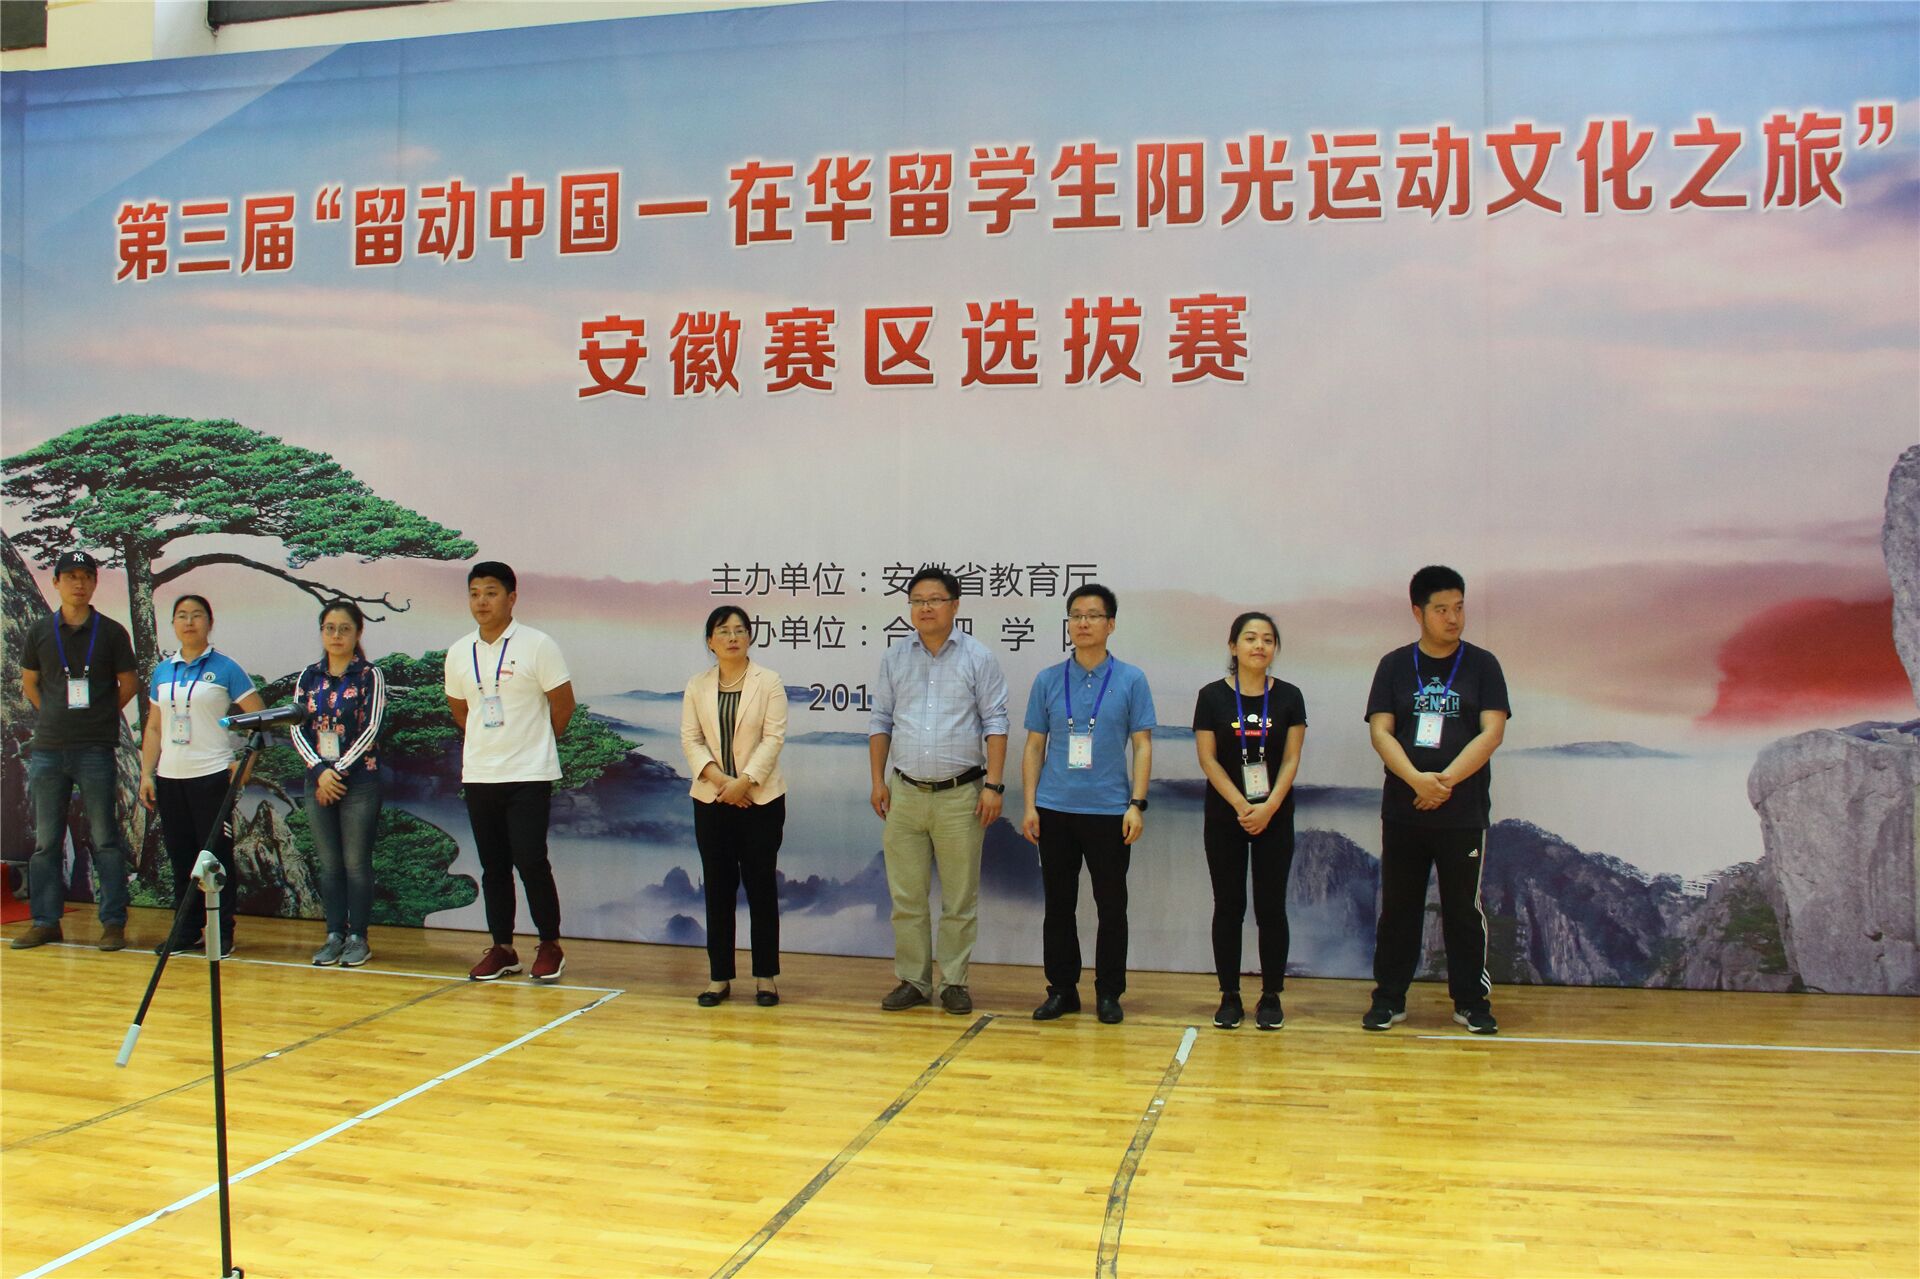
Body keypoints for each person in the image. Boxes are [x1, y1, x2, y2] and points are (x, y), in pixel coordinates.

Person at [1362, 565, 1510, 1035]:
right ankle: (1389, 999)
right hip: (1404, 810)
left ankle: (1471, 1002)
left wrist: (1443, 782)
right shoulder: (1394, 665)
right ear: (1418, 612)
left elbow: (1492, 733)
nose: (1453, 618)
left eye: (1459, 608)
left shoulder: (1483, 665)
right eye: (1441, 609)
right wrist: (1415, 782)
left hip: (1462, 812)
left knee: (1463, 910)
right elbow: (1381, 732)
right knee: (1398, 909)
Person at [867, 568, 1010, 1015]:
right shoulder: (895, 657)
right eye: (917, 601)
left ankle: (954, 982)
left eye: (934, 599)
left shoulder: (978, 657)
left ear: (955, 605)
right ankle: (913, 979)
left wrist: (994, 785)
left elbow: (996, 722)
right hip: (904, 792)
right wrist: (877, 781)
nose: (925, 608)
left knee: (959, 898)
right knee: (906, 897)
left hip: (961, 795)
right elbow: (880, 721)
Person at [1021, 584, 1155, 1025]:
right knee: (1058, 906)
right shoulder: (1048, 679)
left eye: (1093, 615)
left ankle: (1109, 992)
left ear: (1110, 624)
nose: (1083, 623)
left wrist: (1137, 803)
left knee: (1111, 907)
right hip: (1055, 809)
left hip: (1110, 811)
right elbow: (1034, 746)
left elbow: (1142, 745)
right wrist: (1030, 805)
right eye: (1076, 615)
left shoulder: (1131, 679)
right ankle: (1062, 989)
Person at [444, 562, 575, 983]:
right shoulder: (459, 651)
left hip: (529, 774)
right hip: (480, 774)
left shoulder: (538, 644)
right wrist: (490, 743)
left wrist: (535, 743)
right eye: (474, 593)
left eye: (491, 592)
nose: (481, 601)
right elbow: (461, 710)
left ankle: (550, 944)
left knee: (531, 860)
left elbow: (563, 703)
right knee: (493, 866)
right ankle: (502, 948)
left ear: (512, 597)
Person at [13, 551, 140, 951]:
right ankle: (45, 921)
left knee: (105, 838)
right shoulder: (39, 631)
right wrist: (53, 714)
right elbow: (29, 682)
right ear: (56, 583)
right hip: (48, 750)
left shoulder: (112, 632)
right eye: (70, 576)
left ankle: (113, 923)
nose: (79, 583)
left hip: (95, 749)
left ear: (95, 583)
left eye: (86, 576)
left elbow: (129, 683)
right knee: (46, 841)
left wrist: (100, 715)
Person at [1191, 611, 1306, 1031]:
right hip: (1226, 815)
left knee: (1271, 906)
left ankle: (1271, 995)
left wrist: (1269, 806)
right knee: (1229, 906)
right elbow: (1208, 759)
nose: (1260, 646)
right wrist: (1242, 805)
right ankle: (1229, 996)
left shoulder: (1290, 696)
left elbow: (1291, 758)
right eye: (1251, 638)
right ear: (1233, 646)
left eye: (1268, 639)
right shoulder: (1211, 696)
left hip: (1275, 814)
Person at [138, 594, 263, 957]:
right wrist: (147, 773)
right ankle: (187, 930)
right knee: (181, 858)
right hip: (170, 777)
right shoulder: (163, 671)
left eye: (196, 615)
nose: (189, 622)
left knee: (216, 857)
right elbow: (154, 728)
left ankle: (222, 932)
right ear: (173, 624)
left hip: (211, 776)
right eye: (182, 615)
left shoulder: (226, 668)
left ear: (210, 622)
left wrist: (243, 767)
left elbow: (259, 719)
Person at [679, 606, 788, 1007]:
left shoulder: (769, 681)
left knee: (761, 887)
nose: (732, 637)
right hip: (712, 800)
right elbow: (691, 739)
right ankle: (719, 977)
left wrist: (745, 782)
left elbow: (773, 738)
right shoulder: (697, 685)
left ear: (750, 637)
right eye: (723, 631)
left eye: (740, 630)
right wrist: (724, 783)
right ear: (710, 641)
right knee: (717, 888)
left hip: (761, 800)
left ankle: (765, 978)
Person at [291, 601, 386, 969]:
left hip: (358, 781)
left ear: (358, 632)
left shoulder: (370, 675)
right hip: (318, 781)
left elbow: (371, 728)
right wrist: (319, 771)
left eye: (344, 628)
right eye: (329, 628)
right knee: (329, 864)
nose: (336, 635)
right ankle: (334, 934)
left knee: (355, 863)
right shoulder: (309, 677)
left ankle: (358, 937)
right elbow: (296, 727)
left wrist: (338, 771)